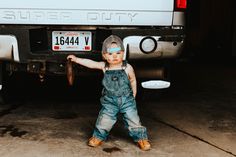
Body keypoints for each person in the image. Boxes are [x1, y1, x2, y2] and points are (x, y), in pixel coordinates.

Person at [67, 35, 151, 151]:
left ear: (123, 53)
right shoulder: (104, 67)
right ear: (104, 56)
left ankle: (141, 139)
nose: (115, 56)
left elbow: (133, 80)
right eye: (110, 54)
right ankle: (98, 137)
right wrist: (76, 59)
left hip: (127, 100)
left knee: (133, 120)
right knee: (104, 120)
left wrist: (134, 94)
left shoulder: (127, 67)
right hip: (110, 102)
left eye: (118, 53)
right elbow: (91, 63)